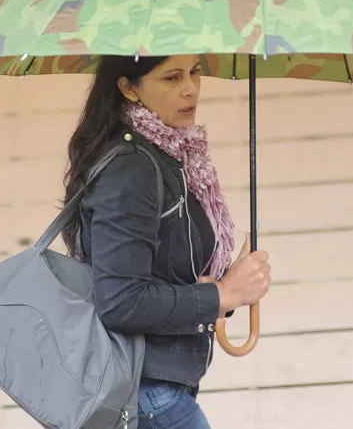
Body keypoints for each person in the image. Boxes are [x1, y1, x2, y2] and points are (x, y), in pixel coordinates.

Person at [61, 54, 272, 428]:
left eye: (195, 72)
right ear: (129, 88)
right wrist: (222, 294)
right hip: (147, 392)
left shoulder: (170, 156)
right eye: (171, 78)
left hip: (158, 387)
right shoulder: (132, 169)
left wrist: (216, 288)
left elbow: (162, 267)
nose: (190, 88)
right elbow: (121, 301)